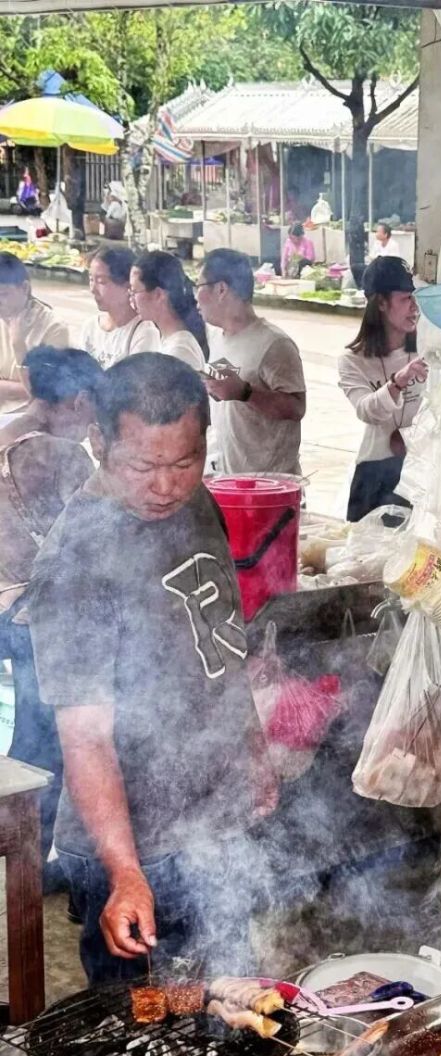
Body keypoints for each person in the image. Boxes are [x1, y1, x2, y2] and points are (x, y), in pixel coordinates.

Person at [28, 353, 277, 985]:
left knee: (231, 1002)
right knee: (142, 1024)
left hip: (214, 820)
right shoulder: (78, 562)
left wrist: (251, 752)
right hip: (135, 843)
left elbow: (220, 646)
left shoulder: (196, 503)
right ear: (99, 442)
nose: (166, 485)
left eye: (184, 462)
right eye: (142, 466)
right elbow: (85, 736)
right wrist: (125, 873)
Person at [0, 347, 102, 882]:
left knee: (28, 738)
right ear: (79, 400)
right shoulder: (62, 455)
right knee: (51, 746)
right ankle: (33, 873)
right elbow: (91, 542)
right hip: (35, 616)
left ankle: (26, 861)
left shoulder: (6, 430)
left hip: (3, 609)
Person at [196, 248, 307, 475]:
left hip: (268, 483)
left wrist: (246, 393)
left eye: (198, 286)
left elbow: (296, 408)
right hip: (230, 478)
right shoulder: (218, 338)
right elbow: (228, 393)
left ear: (221, 289)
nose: (195, 297)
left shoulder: (275, 343)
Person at [338, 256, 428, 521]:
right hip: (375, 476)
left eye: (417, 297)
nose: (415, 307)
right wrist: (398, 382)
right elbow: (367, 411)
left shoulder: (429, 351)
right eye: (406, 298)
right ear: (380, 303)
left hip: (422, 472)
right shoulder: (353, 361)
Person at [0, 251, 70, 410]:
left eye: (3, 294)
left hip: (29, 415)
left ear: (25, 288)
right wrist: (16, 388)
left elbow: (45, 393)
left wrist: (18, 345)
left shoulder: (53, 328)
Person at [81, 249, 160, 369]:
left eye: (101, 281)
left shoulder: (144, 334)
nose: (93, 289)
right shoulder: (90, 327)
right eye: (91, 279)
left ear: (128, 285)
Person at [130, 251, 209, 371]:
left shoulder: (180, 352)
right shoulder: (164, 339)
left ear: (158, 295)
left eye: (134, 291)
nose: (131, 298)